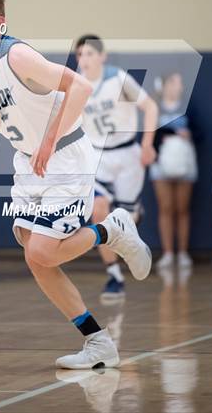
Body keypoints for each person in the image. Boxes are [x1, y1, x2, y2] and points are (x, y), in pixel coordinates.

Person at [0, 0, 152, 369]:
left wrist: (49, 139)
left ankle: (111, 230)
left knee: (41, 250)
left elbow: (79, 86)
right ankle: (98, 342)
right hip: (29, 161)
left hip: (66, 152)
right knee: (37, 260)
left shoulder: (17, 56)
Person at [75, 35, 158, 301]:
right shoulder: (77, 83)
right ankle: (114, 275)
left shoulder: (119, 79)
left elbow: (151, 106)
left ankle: (134, 214)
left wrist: (147, 144)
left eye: (89, 54)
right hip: (97, 157)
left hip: (128, 154)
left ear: (102, 56)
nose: (84, 60)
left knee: (125, 221)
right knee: (98, 209)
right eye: (80, 55)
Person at [150, 72, 198, 270]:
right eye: (175, 82)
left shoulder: (189, 108)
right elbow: (149, 134)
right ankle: (168, 253)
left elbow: (200, 132)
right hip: (161, 164)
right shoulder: (156, 107)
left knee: (182, 208)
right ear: (166, 84)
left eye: (180, 82)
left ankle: (183, 253)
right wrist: (166, 135)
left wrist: (189, 135)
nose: (179, 86)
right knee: (166, 208)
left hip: (184, 163)